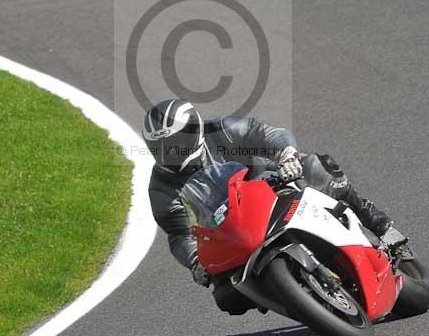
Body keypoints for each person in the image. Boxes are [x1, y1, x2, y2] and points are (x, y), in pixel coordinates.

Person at [143, 98, 396, 308]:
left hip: (268, 188)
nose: (169, 153)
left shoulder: (222, 130)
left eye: (174, 144)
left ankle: (372, 218)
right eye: (160, 148)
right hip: (229, 232)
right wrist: (195, 261)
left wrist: (286, 154)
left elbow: (268, 134)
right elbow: (179, 235)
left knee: (315, 167)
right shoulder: (161, 189)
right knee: (226, 297)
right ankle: (298, 299)